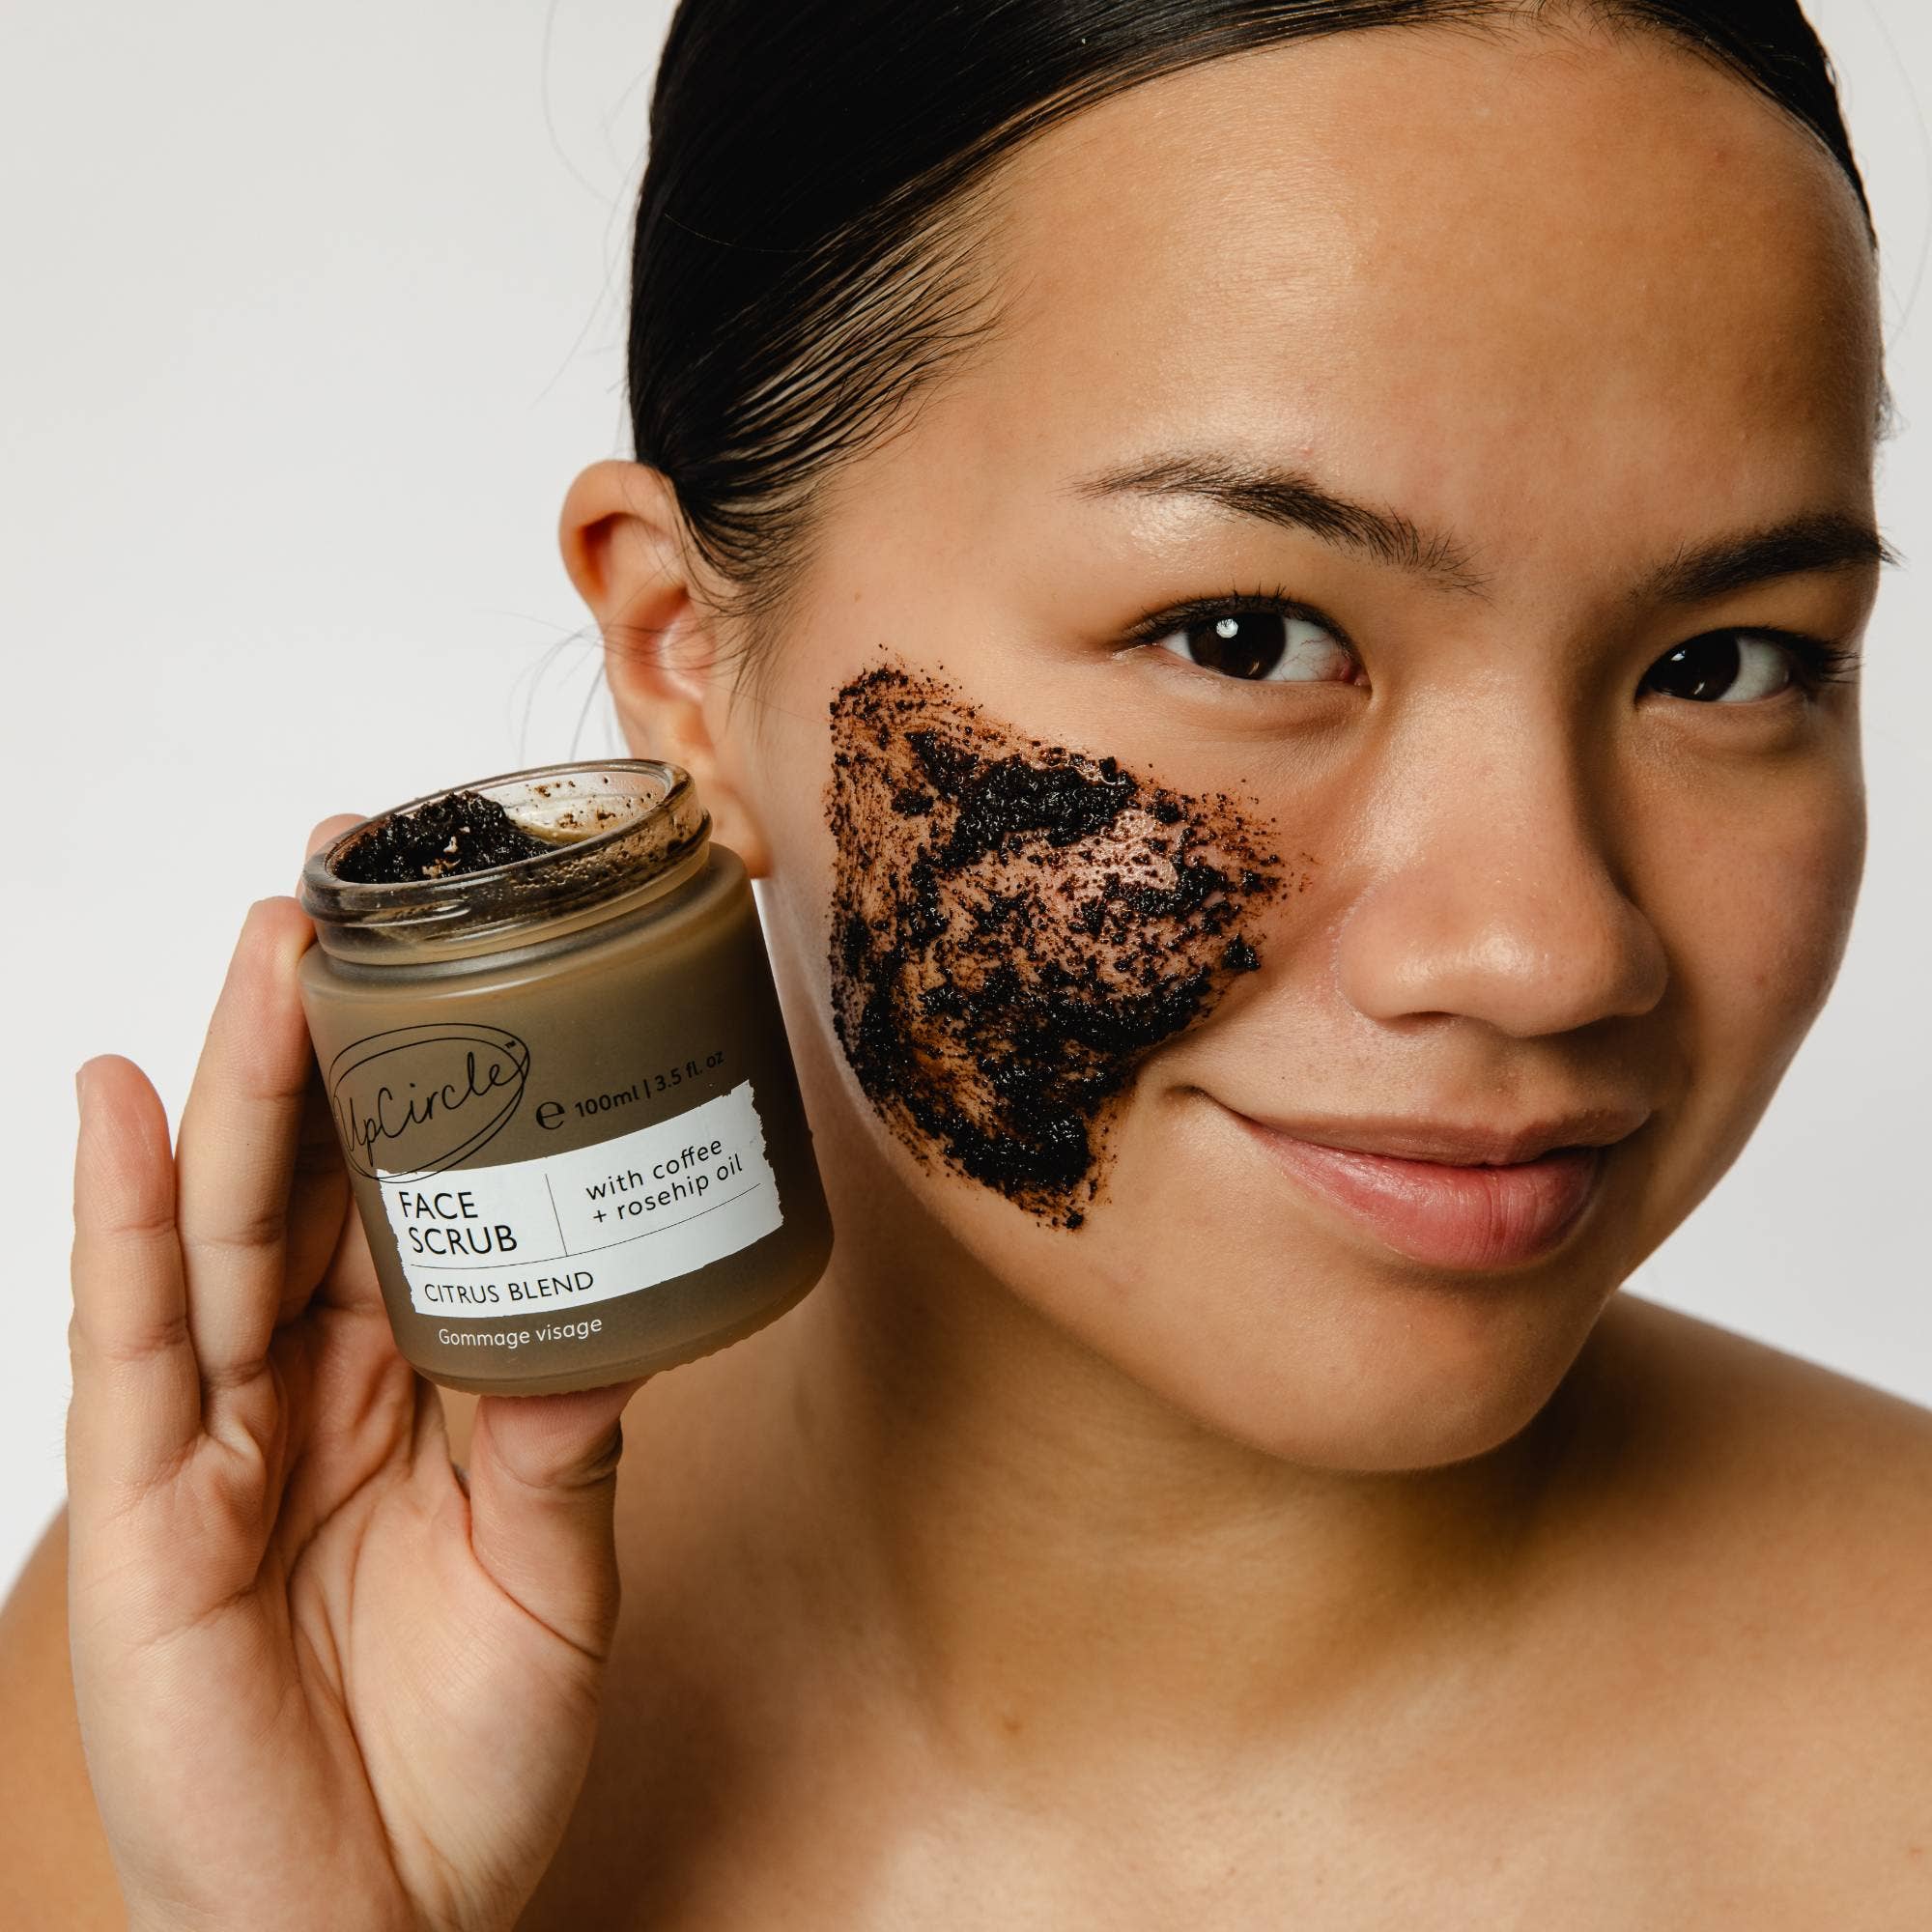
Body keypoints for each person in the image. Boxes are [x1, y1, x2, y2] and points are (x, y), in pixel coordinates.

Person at [5, 1, 1929, 1924]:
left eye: (1730, 663)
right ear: (688, 658)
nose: (1541, 949)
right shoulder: (238, 1664)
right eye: (1246, 634)